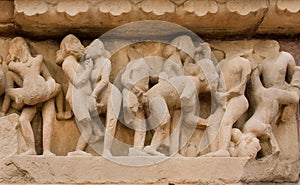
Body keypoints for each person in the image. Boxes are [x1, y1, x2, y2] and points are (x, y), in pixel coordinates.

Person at [3, 37, 60, 156]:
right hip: (30, 100)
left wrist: (50, 83)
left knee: (48, 119)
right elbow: (10, 92)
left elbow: (48, 77)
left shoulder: (37, 61)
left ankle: (47, 150)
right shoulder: (13, 72)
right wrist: (18, 99)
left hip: (46, 97)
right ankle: (31, 149)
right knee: (23, 119)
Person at [56, 34, 103, 156]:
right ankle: (78, 151)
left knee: (91, 128)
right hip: (77, 99)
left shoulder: (76, 62)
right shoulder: (67, 63)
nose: (81, 46)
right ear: (68, 47)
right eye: (77, 43)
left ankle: (94, 137)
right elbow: (77, 82)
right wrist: (88, 69)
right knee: (87, 128)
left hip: (83, 98)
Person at [243, 66, 299, 155]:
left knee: (294, 96)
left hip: (258, 122)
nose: (256, 150)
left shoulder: (260, 93)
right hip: (260, 124)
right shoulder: (270, 93)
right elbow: (295, 97)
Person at [205, 54, 251, 157]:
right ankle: (215, 152)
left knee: (226, 121)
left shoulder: (244, 62)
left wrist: (227, 94)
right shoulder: (221, 64)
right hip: (223, 100)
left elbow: (242, 85)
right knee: (212, 123)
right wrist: (219, 95)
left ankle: (223, 150)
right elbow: (213, 84)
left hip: (238, 98)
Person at [85, 39, 121, 157]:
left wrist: (94, 95)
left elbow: (105, 80)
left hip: (111, 94)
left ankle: (106, 150)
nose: (88, 49)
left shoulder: (105, 62)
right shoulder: (91, 65)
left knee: (111, 121)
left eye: (91, 47)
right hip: (97, 97)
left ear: (99, 50)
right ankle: (97, 133)